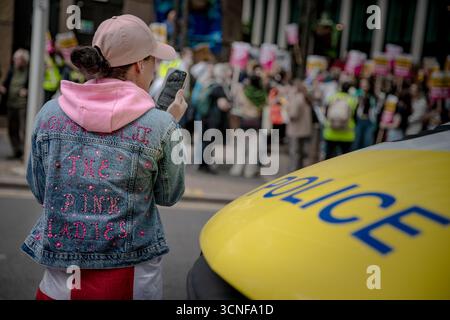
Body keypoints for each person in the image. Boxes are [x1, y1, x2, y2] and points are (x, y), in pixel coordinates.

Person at [22, 14, 187, 300]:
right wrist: (169, 125)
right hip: (131, 274)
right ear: (139, 64)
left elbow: (41, 190)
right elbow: (168, 194)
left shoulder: (49, 113)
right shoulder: (160, 126)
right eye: (153, 62)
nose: (154, 70)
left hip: (61, 279)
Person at [197, 63, 232, 174]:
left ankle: (202, 164)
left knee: (205, 141)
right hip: (214, 119)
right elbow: (223, 105)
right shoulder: (219, 87)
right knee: (210, 142)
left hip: (206, 117)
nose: (229, 73)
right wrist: (231, 104)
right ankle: (207, 165)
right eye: (227, 71)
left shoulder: (210, 84)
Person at [0, 49, 30, 159]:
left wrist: (27, 90)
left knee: (23, 129)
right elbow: (6, 84)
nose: (15, 61)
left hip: (22, 105)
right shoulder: (12, 70)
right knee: (12, 129)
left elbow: (32, 85)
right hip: (10, 103)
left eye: (18, 59)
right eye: (15, 59)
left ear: (24, 61)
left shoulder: (29, 71)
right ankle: (16, 151)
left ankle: (23, 152)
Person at [323, 82, 357, 159]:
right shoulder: (352, 100)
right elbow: (354, 117)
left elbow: (326, 113)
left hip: (331, 132)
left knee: (328, 157)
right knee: (345, 159)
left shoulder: (332, 97)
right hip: (347, 133)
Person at [286, 80, 313, 171]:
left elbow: (293, 114)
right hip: (305, 129)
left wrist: (287, 110)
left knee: (295, 152)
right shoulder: (306, 97)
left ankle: (294, 170)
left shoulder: (297, 98)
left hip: (296, 129)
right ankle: (300, 169)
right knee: (302, 152)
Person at [352, 77, 378, 150]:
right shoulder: (357, 94)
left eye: (366, 83)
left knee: (367, 143)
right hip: (358, 121)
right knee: (356, 143)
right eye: (362, 83)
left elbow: (375, 109)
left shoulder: (372, 96)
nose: (364, 85)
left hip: (369, 122)